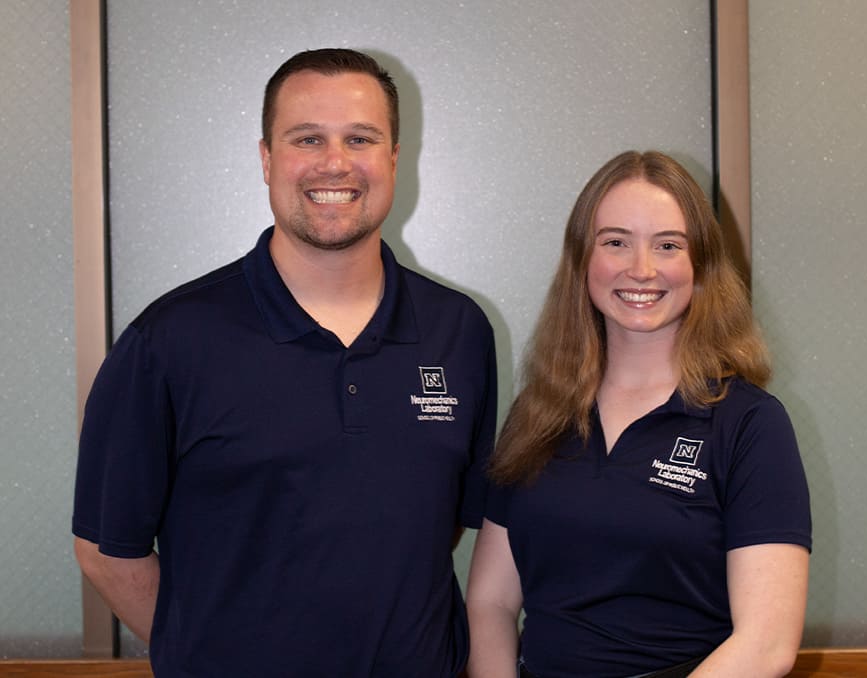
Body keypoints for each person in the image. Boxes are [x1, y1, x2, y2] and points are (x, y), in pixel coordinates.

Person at [72, 48, 497, 678]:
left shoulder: (458, 332)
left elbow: (438, 522)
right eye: (307, 138)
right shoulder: (168, 341)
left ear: (393, 160)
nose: (335, 162)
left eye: (361, 138)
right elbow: (106, 552)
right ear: (267, 158)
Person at [466, 150, 811, 678]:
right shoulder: (537, 414)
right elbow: (490, 602)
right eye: (616, 242)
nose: (642, 269)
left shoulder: (749, 424)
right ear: (583, 259)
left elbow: (766, 645)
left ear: (701, 267)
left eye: (668, 245)